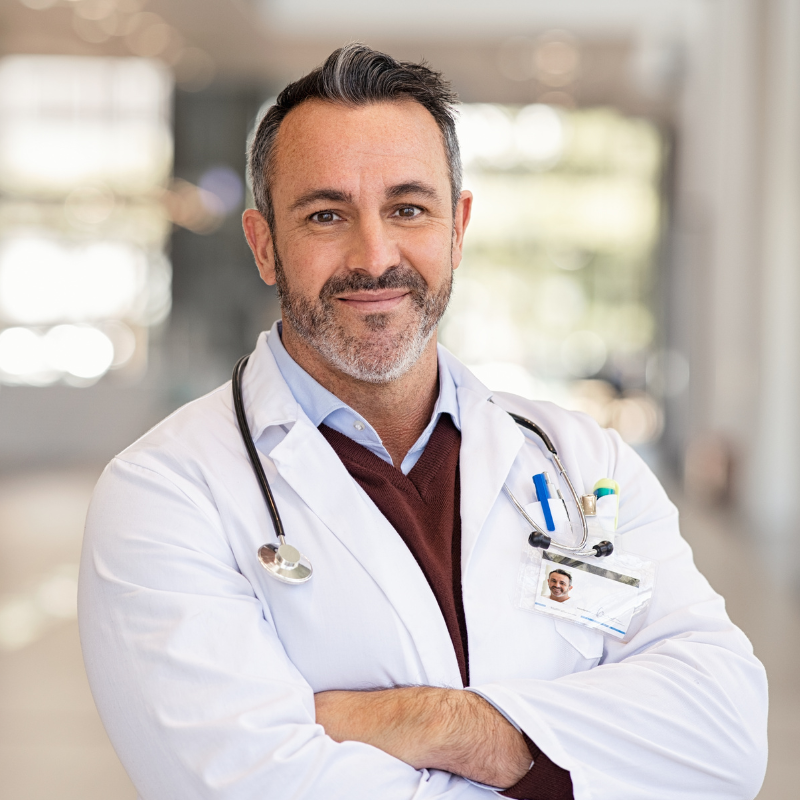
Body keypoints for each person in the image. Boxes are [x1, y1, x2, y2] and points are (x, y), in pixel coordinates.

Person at [78, 44, 768, 800]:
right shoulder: (165, 495)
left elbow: (726, 736)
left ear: (458, 228)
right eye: (325, 214)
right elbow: (247, 785)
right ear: (264, 244)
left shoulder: (581, 459)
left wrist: (439, 725)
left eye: (408, 208)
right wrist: (573, 765)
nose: (375, 257)